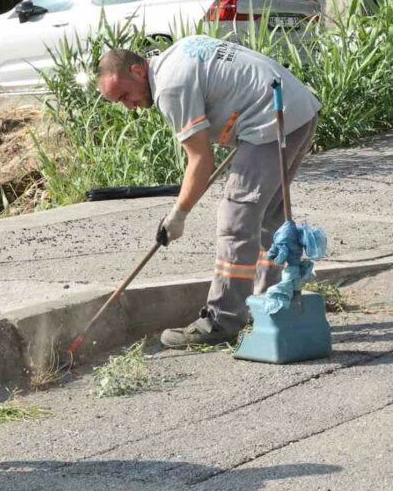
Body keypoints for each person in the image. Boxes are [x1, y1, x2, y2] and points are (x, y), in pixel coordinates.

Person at [96, 35, 320, 349]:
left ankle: (222, 320)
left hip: (272, 119)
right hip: (297, 109)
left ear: (137, 71)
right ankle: (272, 306)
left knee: (235, 219)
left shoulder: (171, 87)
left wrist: (179, 215)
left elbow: (200, 160)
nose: (129, 106)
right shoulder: (177, 55)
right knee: (268, 217)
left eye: (124, 96)